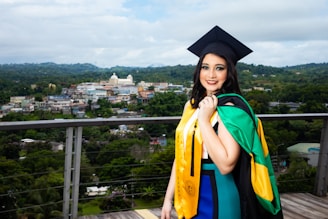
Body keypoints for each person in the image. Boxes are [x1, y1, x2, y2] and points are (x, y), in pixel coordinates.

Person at [161, 26, 283, 219]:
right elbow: (181, 155)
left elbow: (226, 164)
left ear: (229, 72)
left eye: (219, 68)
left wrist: (204, 119)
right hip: (188, 193)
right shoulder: (190, 106)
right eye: (205, 67)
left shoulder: (231, 111)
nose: (211, 75)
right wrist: (168, 200)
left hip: (218, 193)